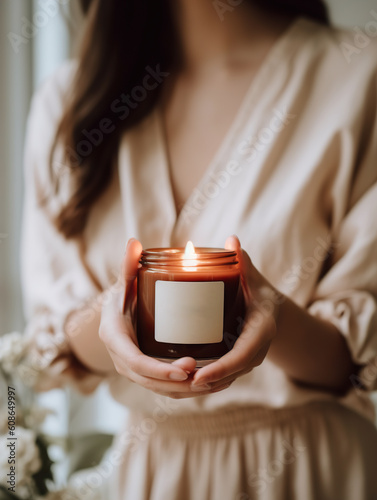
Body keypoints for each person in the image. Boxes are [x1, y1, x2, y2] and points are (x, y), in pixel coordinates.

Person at [22, 0, 377, 498]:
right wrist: (115, 312)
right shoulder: (70, 101)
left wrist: (272, 311)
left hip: (314, 470)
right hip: (152, 475)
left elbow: (354, 363)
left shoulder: (359, 80)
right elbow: (52, 349)